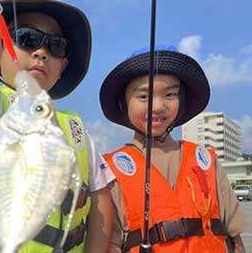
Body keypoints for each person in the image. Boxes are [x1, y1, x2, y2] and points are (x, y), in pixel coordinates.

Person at [0, 0, 113, 252]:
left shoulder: (77, 130)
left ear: (63, 66)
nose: (41, 52)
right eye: (26, 38)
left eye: (56, 46)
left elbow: (101, 198)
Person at [99, 46, 249, 253]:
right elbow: (108, 243)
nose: (158, 106)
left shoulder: (205, 161)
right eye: (143, 96)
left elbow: (234, 236)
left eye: (170, 95)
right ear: (124, 103)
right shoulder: (107, 170)